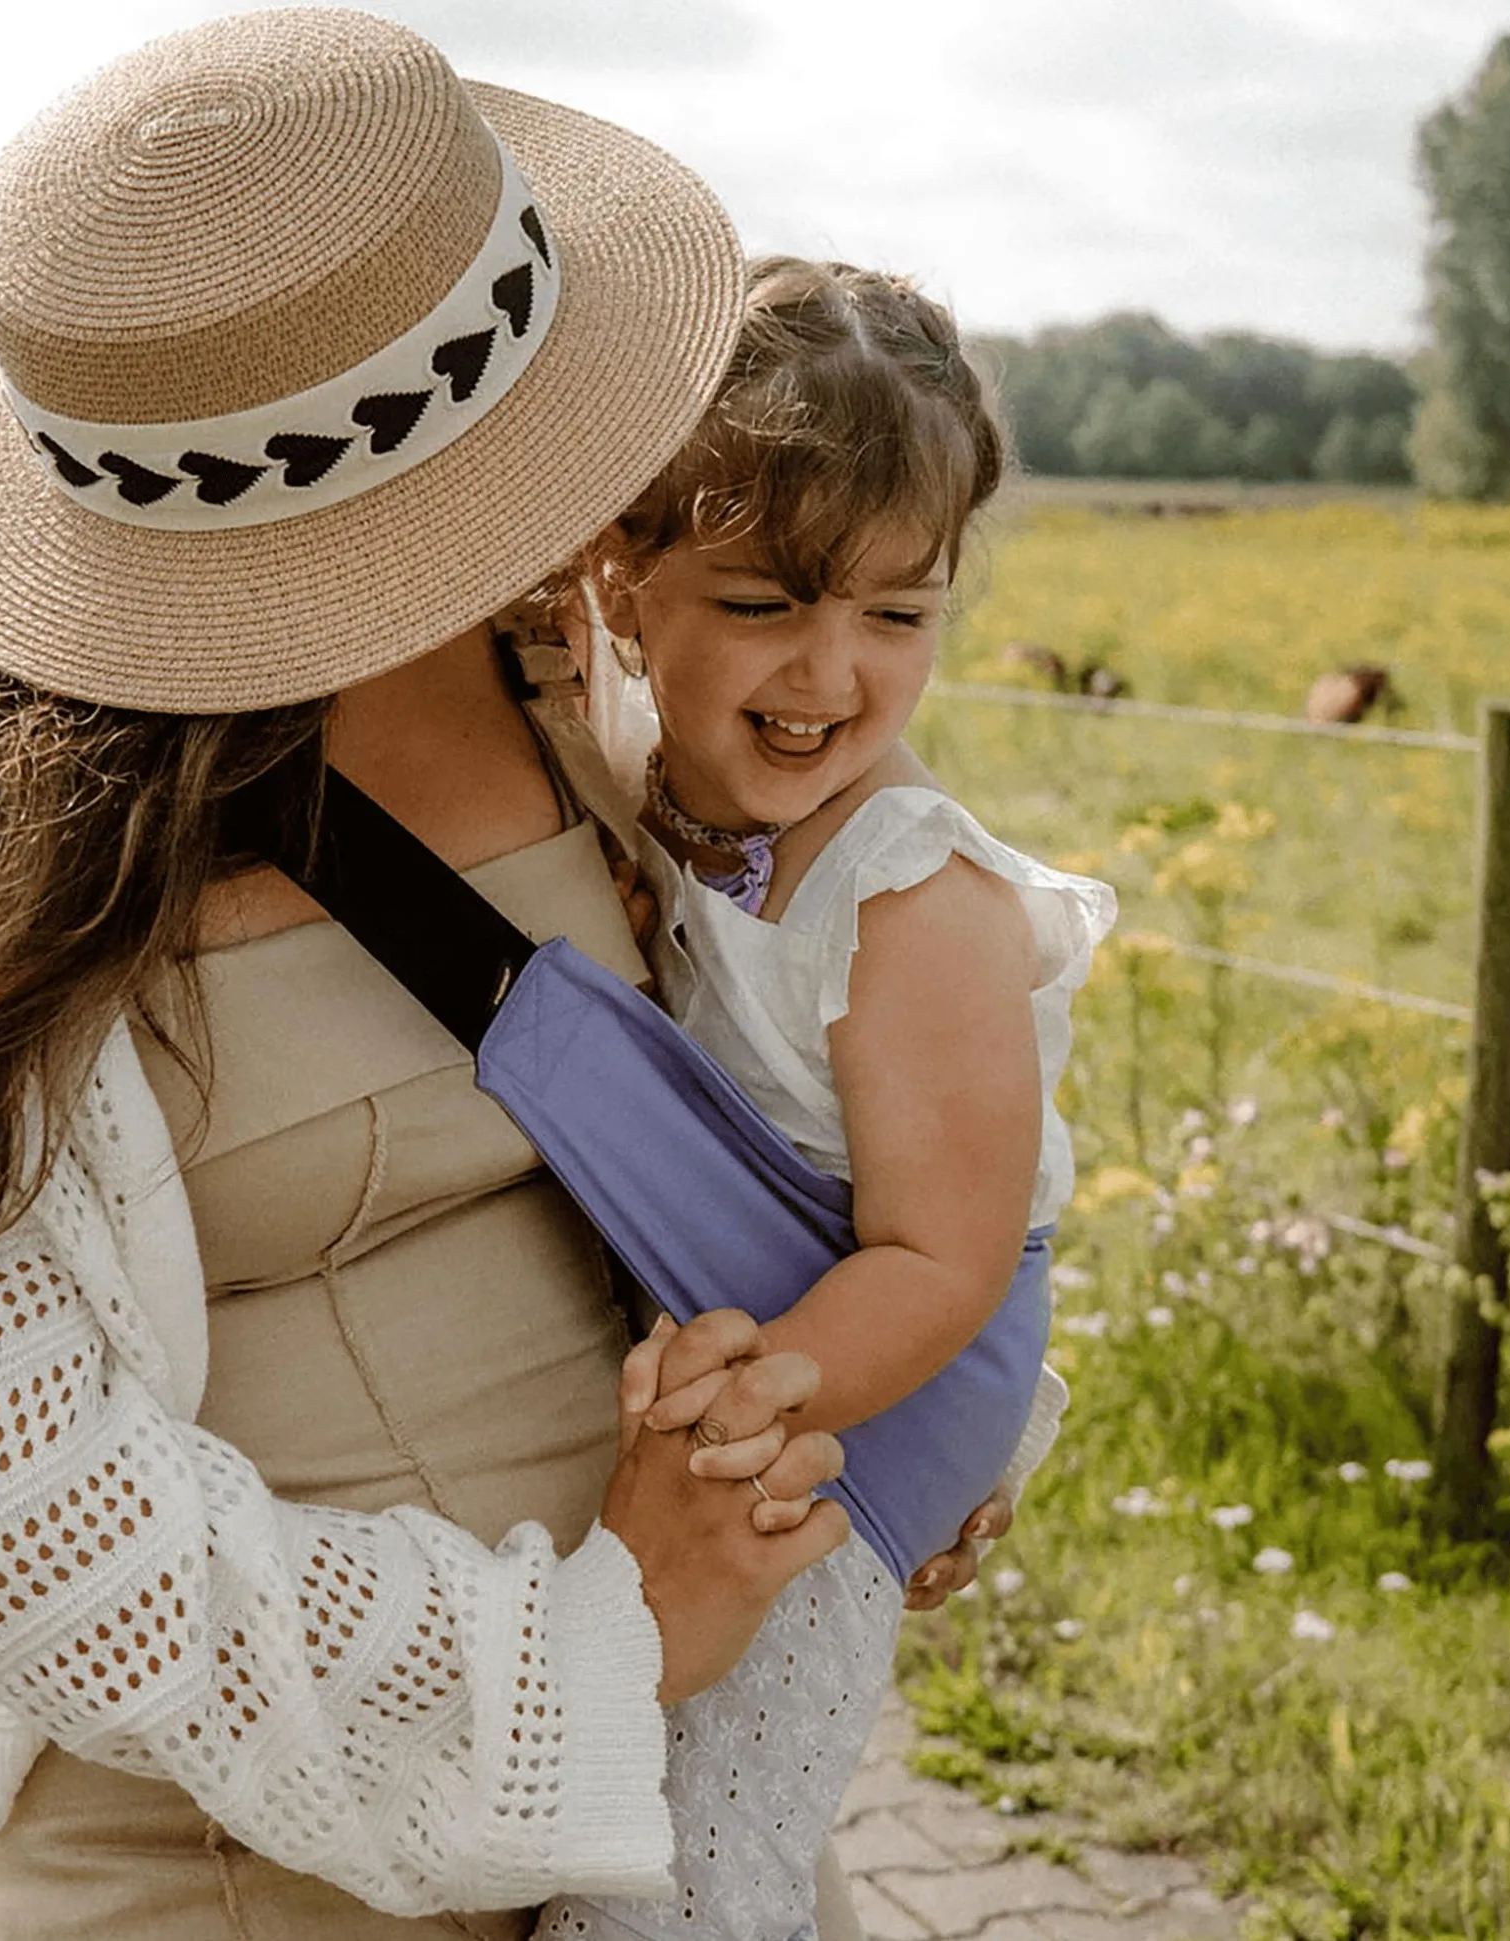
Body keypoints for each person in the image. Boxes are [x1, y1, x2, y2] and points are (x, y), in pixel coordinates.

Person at [0, 21, 1004, 1941]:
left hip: (674, 1837)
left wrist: (880, 1410)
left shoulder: (562, 648)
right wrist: (599, 1640)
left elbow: (825, 1030)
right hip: (231, 1865)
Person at [536, 259, 1115, 1941]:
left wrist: (768, 1401)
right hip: (797, 1326)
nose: (831, 672)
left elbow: (947, 1255)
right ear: (623, 583)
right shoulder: (639, 744)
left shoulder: (905, 897)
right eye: (768, 601)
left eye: (897, 614)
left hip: (864, 1371)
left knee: (699, 1847)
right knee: (618, 1789)